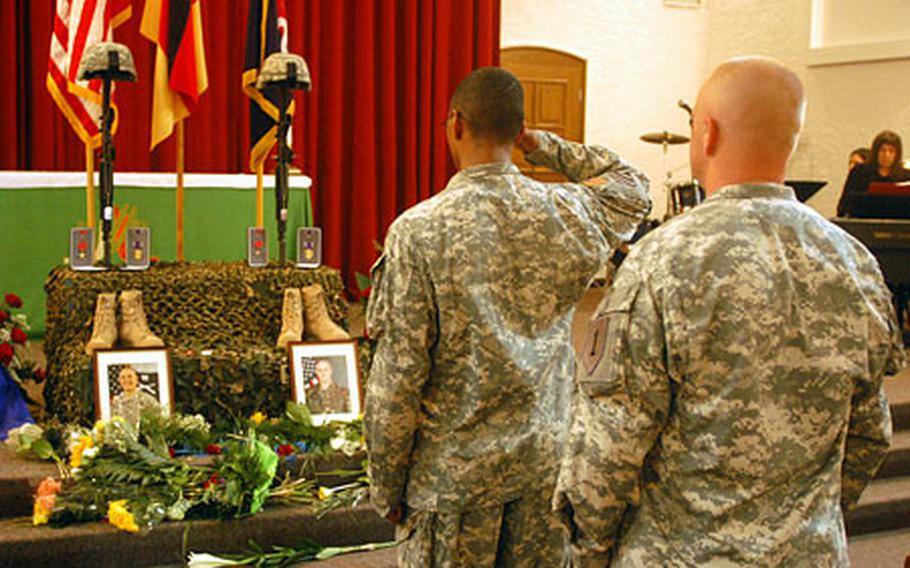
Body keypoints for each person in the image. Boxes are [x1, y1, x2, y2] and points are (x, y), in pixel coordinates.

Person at [556, 56, 906, 566]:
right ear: (793, 138)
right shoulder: (855, 262)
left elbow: (610, 444)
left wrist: (590, 546)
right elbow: (870, 434)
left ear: (707, 132)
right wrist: (803, 524)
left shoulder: (661, 261)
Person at [364, 66, 651, 567]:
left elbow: (399, 377)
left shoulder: (419, 231)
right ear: (517, 132)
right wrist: (543, 146)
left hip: (453, 483)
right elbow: (633, 184)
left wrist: (386, 485)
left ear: (454, 123)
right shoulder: (570, 211)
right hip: (544, 466)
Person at [837, 130, 909, 216]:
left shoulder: (905, 176)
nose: (886, 155)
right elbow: (845, 203)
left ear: (897, 154)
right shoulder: (860, 172)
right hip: (863, 222)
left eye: (891, 151)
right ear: (875, 152)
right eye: (883, 150)